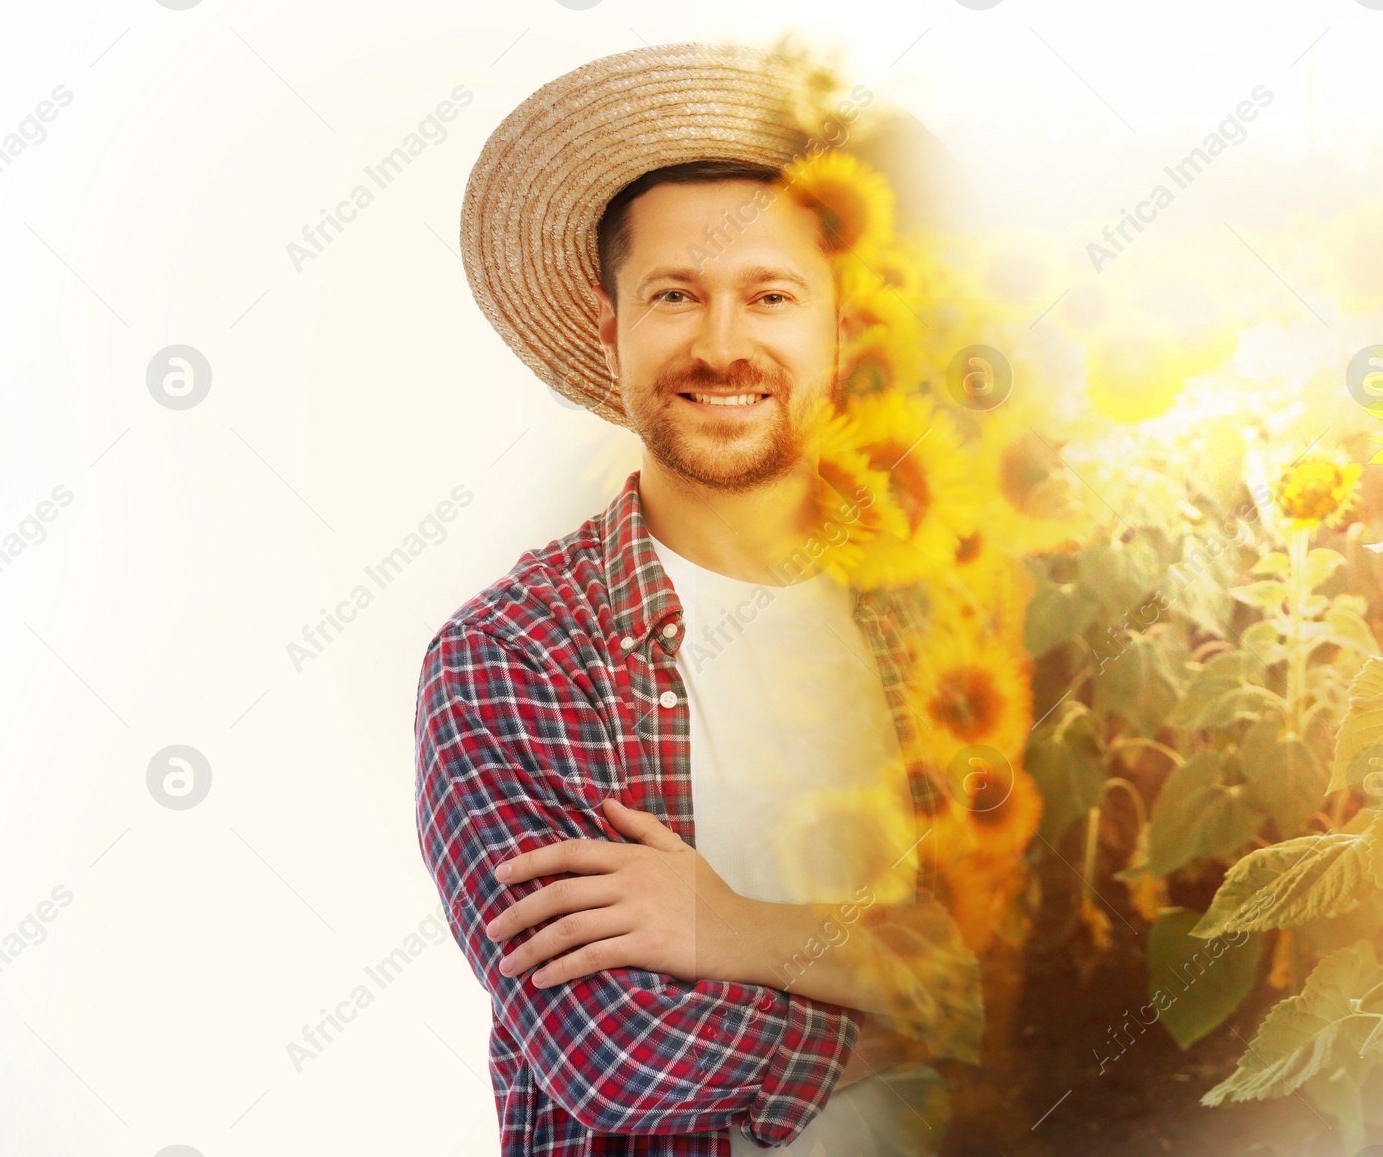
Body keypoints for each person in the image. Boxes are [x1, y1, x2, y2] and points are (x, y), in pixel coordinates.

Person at [415, 42, 981, 1156]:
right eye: (675, 294)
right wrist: (926, 1005)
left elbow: (1074, 977)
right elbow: (617, 1046)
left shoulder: (961, 619)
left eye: (769, 295)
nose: (722, 345)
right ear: (605, 320)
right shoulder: (514, 653)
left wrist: (734, 929)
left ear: (844, 325)